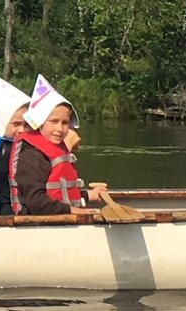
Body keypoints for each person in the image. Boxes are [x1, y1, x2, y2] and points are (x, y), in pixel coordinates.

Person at [7, 75, 111, 215]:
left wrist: (89, 195)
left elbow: (61, 192)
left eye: (65, 122)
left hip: (59, 216)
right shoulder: (31, 154)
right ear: (40, 122)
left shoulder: (56, 148)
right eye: (54, 121)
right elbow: (35, 201)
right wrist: (70, 210)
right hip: (37, 222)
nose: (60, 129)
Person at [0, 71, 30, 215]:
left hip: (1, 211)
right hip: (11, 214)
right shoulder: (9, 150)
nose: (22, 130)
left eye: (26, 124)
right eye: (16, 124)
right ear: (1, 124)